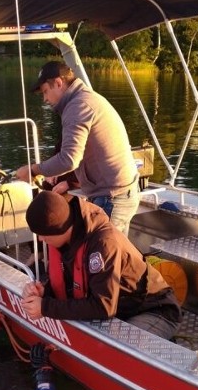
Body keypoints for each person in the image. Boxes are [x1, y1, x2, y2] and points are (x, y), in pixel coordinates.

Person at [20, 191, 181, 340]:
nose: (40, 239)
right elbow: (72, 283)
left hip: (153, 309)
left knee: (122, 349)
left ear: (58, 229)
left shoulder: (103, 245)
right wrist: (46, 292)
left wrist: (46, 307)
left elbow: (103, 307)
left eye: (42, 234)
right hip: (121, 309)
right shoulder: (69, 240)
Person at [14, 61, 140, 234]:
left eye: (45, 91)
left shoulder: (78, 106)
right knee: (112, 256)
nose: (44, 99)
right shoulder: (84, 98)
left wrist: (34, 170)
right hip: (119, 192)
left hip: (112, 197)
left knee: (104, 257)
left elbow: (69, 160)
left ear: (58, 83)